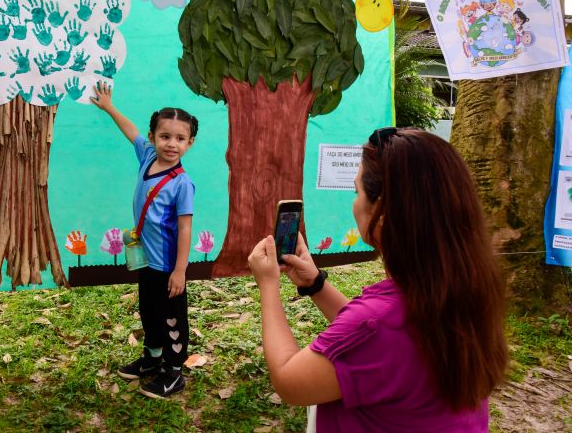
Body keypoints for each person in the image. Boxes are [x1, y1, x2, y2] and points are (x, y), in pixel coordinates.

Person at [248, 127, 508, 432]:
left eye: (357, 192)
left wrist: (268, 287)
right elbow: (388, 344)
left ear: (383, 219)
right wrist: (315, 283)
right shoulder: (458, 290)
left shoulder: (377, 323)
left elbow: (290, 381)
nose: (355, 203)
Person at [91, 80, 198, 399]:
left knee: (171, 317)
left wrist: (180, 271)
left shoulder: (182, 184)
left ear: (189, 143)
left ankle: (174, 370)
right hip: (147, 262)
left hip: (168, 267)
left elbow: (185, 230)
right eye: (165, 136)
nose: (171, 144)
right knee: (149, 311)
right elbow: (130, 130)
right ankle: (152, 359)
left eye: (180, 138)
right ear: (153, 138)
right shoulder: (146, 156)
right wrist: (110, 108)